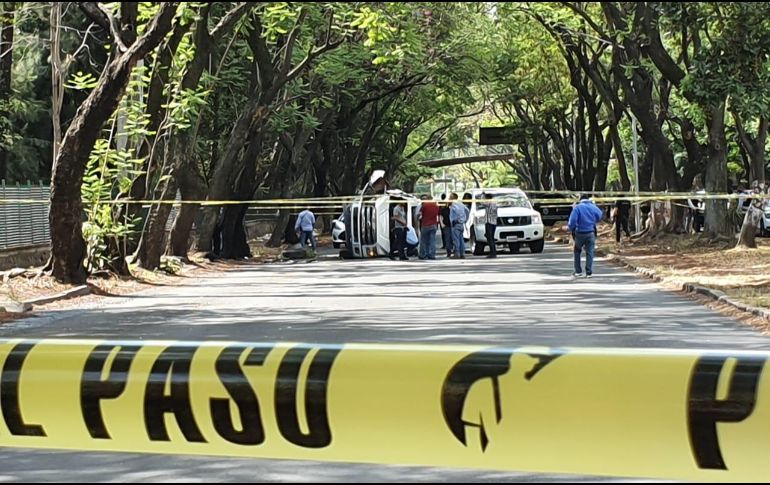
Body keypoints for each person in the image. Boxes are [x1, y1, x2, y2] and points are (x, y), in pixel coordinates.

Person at [568, 194, 604, 278]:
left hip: (579, 232)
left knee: (577, 251)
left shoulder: (577, 207)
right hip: (590, 232)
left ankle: (578, 271)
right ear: (588, 199)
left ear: (580, 199)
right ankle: (589, 272)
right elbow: (600, 215)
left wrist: (570, 228)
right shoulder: (593, 206)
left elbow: (572, 221)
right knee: (590, 252)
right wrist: (593, 220)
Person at [417, 195, 440, 260]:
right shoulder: (436, 206)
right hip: (434, 224)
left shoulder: (424, 205)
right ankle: (432, 255)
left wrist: (417, 218)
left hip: (425, 224)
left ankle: (423, 254)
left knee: (423, 241)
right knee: (432, 241)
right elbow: (437, 215)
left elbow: (420, 214)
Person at [449, 192, 470, 259]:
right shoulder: (461, 204)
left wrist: (457, 219)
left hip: (456, 223)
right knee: (461, 239)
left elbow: (457, 211)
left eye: (450, 197)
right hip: (461, 224)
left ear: (452, 198)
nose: (449, 198)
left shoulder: (454, 204)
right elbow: (467, 210)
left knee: (456, 240)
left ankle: (457, 253)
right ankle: (462, 253)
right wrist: (465, 219)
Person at [483, 193, 498, 258]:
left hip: (489, 221)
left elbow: (482, 203)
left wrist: (482, 196)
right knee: (490, 237)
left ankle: (493, 253)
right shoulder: (494, 203)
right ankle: (493, 252)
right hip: (494, 222)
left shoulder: (489, 202)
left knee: (490, 238)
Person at [439, 193, 453, 258]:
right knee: (449, 239)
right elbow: (440, 216)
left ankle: (449, 252)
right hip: (449, 225)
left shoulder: (446, 209)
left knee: (448, 239)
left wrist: (442, 224)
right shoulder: (449, 209)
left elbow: (440, 216)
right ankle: (450, 252)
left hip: (448, 225)